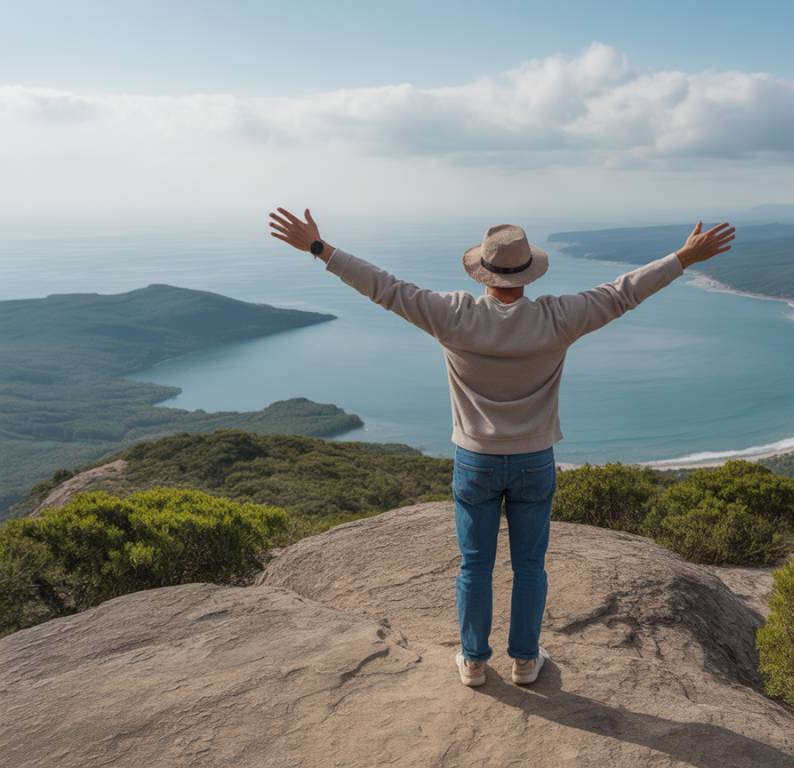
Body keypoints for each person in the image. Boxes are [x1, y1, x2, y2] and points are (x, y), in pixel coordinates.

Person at [268, 209, 735, 688]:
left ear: (483, 272)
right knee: (530, 565)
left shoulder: (453, 315)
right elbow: (623, 293)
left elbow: (384, 287)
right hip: (535, 460)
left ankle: (473, 661)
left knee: (475, 564)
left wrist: (320, 248)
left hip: (476, 461)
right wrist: (682, 258)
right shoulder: (558, 318)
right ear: (528, 272)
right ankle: (525, 661)